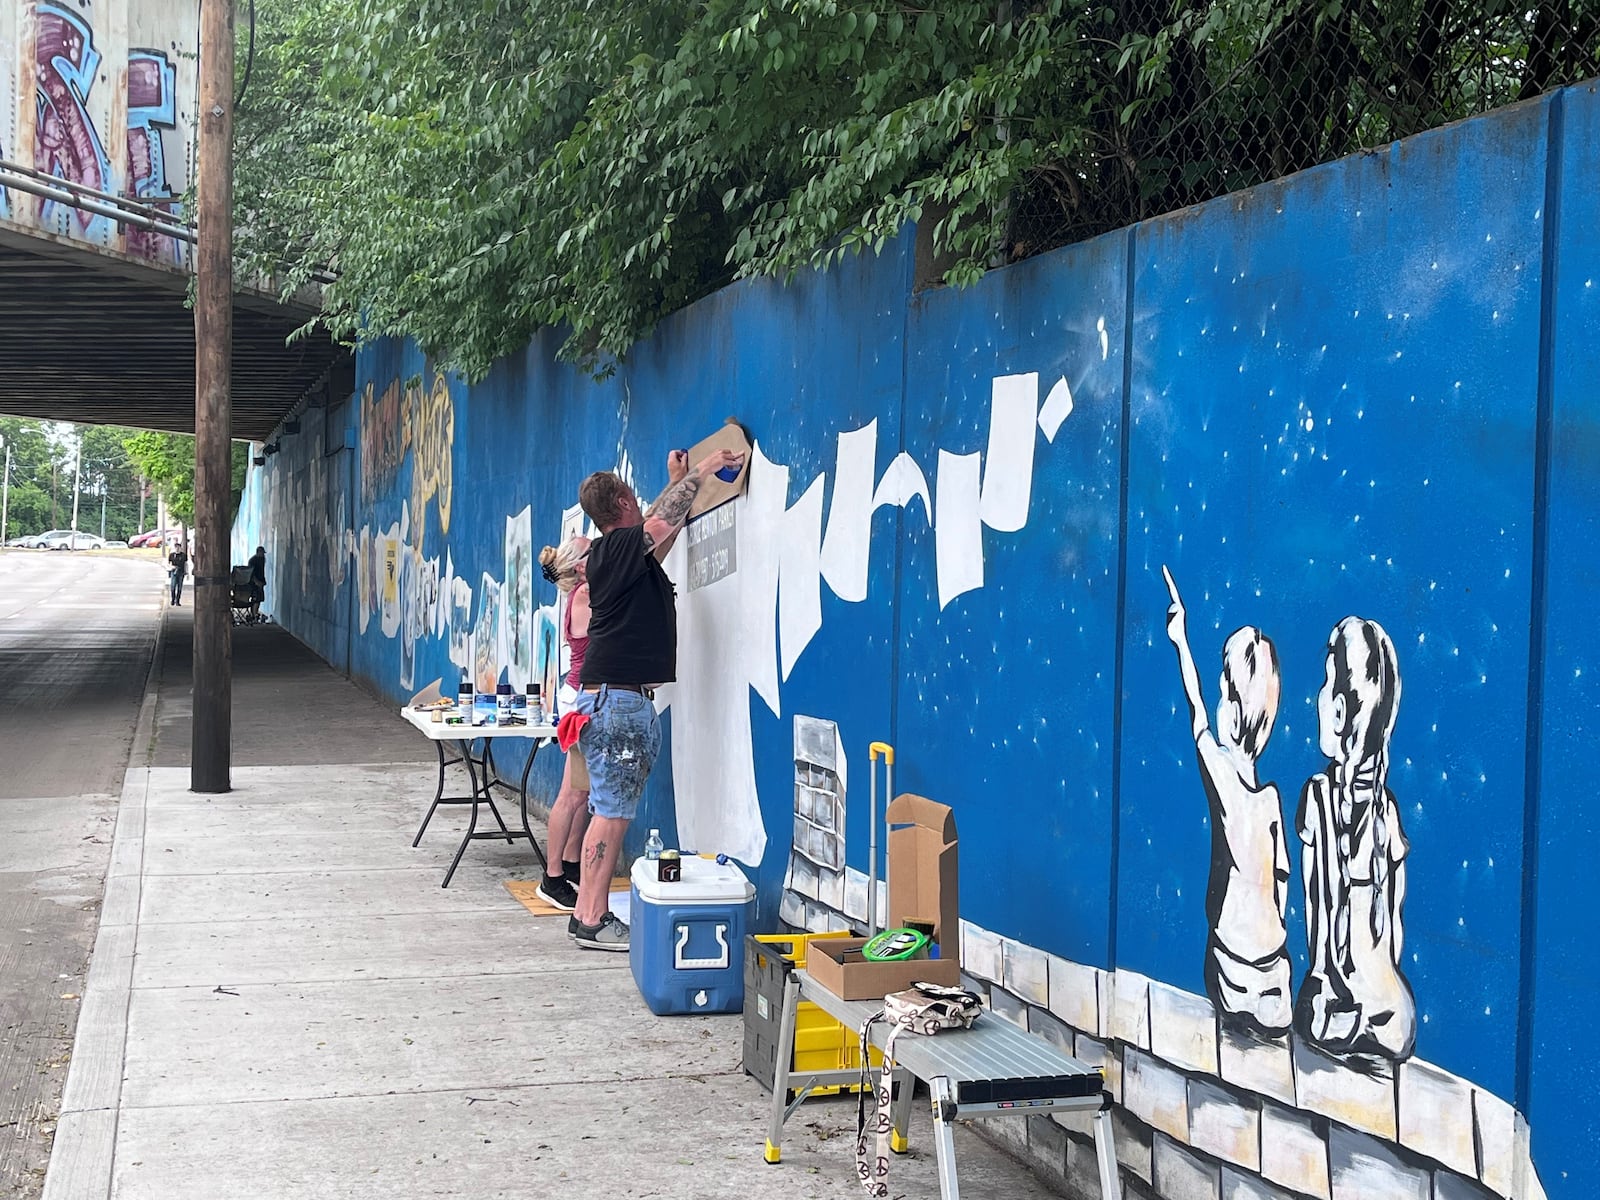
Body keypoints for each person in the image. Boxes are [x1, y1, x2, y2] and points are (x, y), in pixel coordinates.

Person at [567, 445, 744, 951]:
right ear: (622, 502)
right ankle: (593, 918)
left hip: (611, 701)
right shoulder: (616, 548)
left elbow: (662, 534)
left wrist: (678, 482)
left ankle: (586, 913)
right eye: (635, 496)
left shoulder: (624, 561)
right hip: (618, 703)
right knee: (612, 813)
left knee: (608, 808)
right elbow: (659, 525)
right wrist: (705, 472)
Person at [1163, 566, 1292, 1036]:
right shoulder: (1272, 800)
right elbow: (1281, 880)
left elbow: (1196, 709)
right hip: (1275, 974)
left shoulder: (1222, 777)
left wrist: (1181, 640)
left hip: (1231, 969)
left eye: (1224, 686)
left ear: (1233, 706)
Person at [1296, 616, 1415, 1060]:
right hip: (1391, 1010)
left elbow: (1317, 920)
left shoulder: (1317, 797)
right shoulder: (1388, 811)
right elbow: (1394, 928)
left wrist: (1325, 976)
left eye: (1326, 687)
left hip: (1338, 1006)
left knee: (1316, 1009)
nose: (1317, 698)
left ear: (1341, 713)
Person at [533, 535, 592, 911]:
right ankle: (552, 877)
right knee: (571, 793)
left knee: (583, 791)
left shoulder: (583, 593)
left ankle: (570, 863)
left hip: (581, 696)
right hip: (580, 702)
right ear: (581, 565)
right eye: (595, 549)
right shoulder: (587, 596)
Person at [248, 545, 267, 620]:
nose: (263, 555)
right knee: (256, 599)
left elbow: (262, 572)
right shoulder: (253, 560)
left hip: (260, 582)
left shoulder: (262, 559)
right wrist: (256, 582)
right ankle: (254, 614)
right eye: (262, 553)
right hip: (254, 583)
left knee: (259, 599)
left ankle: (255, 614)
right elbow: (251, 573)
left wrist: (262, 581)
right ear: (258, 552)